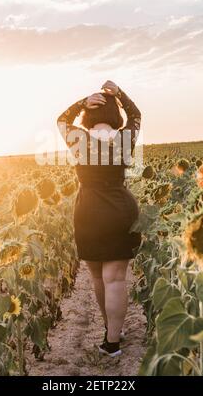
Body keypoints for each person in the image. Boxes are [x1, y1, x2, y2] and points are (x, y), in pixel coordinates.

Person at [57, 80, 142, 357]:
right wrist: (120, 94)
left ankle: (110, 331)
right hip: (120, 209)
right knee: (116, 278)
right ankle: (114, 340)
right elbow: (137, 115)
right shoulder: (125, 137)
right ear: (115, 116)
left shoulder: (78, 138)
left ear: (88, 116)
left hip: (89, 211)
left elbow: (60, 119)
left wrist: (83, 101)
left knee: (97, 278)